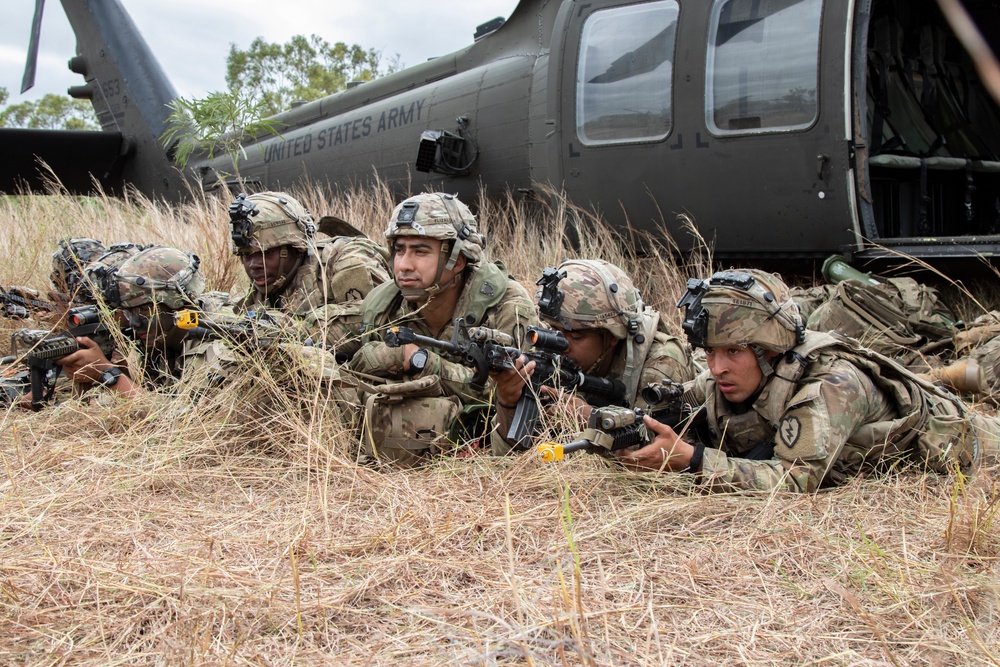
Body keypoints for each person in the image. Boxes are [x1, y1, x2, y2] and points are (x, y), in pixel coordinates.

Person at [619, 269, 997, 492]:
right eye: (710, 352)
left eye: (732, 352)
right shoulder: (729, 375)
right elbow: (671, 405)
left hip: (973, 447)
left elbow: (794, 482)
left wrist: (694, 460)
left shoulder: (830, 384)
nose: (716, 368)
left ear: (769, 349)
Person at [347, 192, 538, 466]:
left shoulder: (507, 306)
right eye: (399, 250)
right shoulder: (385, 302)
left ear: (457, 260)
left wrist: (421, 362)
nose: (403, 265)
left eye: (420, 251)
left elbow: (514, 396)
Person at [59, 245, 357, 413]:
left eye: (141, 310)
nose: (131, 321)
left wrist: (110, 377)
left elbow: (183, 426)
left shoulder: (217, 341)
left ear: (176, 305)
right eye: (126, 311)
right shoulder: (166, 333)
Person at [491, 259, 700, 454]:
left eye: (576, 336)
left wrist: (595, 422)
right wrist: (507, 403)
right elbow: (510, 459)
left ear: (612, 336)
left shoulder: (661, 363)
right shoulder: (553, 358)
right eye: (553, 330)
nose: (560, 345)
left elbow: (658, 455)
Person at [228, 191, 390, 356]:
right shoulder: (263, 281)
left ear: (296, 247)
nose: (253, 265)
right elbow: (230, 314)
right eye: (246, 255)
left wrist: (287, 329)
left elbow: (377, 319)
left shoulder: (346, 259)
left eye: (266, 253)